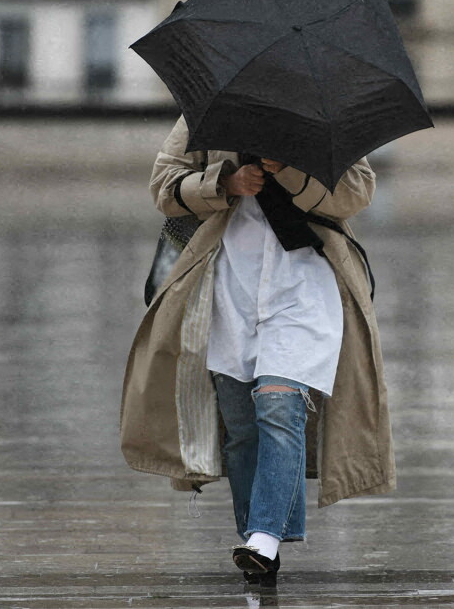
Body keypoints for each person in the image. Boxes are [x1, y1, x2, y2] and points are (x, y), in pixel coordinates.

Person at [120, 117, 395, 588]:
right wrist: (225, 181)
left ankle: (263, 539)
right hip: (227, 285)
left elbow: (356, 192)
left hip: (305, 284)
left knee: (278, 402)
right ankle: (259, 540)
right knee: (242, 428)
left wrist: (289, 172)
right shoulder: (206, 114)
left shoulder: (319, 112)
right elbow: (164, 187)